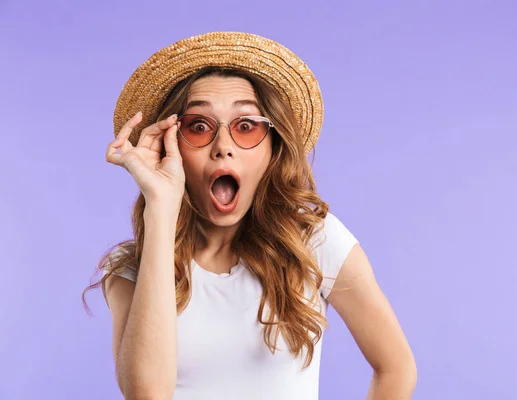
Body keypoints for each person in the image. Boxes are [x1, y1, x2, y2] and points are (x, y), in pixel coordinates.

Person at [82, 31, 417, 400]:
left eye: (246, 126)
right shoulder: (129, 268)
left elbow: (396, 368)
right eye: (198, 127)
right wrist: (160, 205)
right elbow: (146, 394)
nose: (223, 147)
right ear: (168, 146)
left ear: (273, 148)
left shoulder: (315, 243)